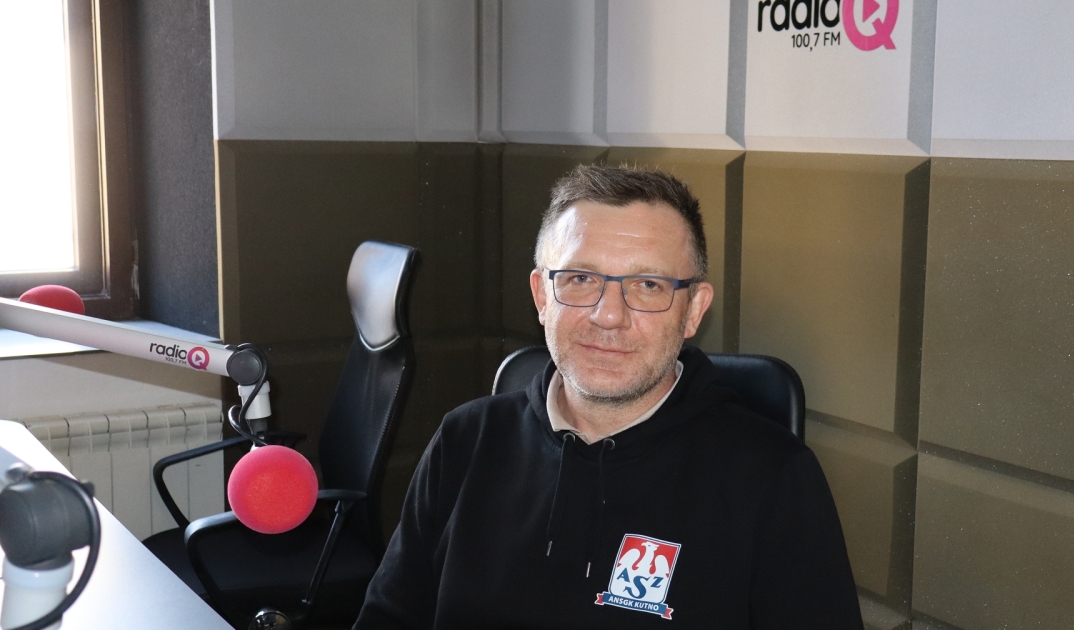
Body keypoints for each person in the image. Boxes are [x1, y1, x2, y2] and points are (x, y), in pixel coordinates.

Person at [353, 165, 863, 629]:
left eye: (647, 285)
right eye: (580, 278)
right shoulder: (464, 441)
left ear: (693, 310)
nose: (609, 315)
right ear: (541, 296)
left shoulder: (774, 476)